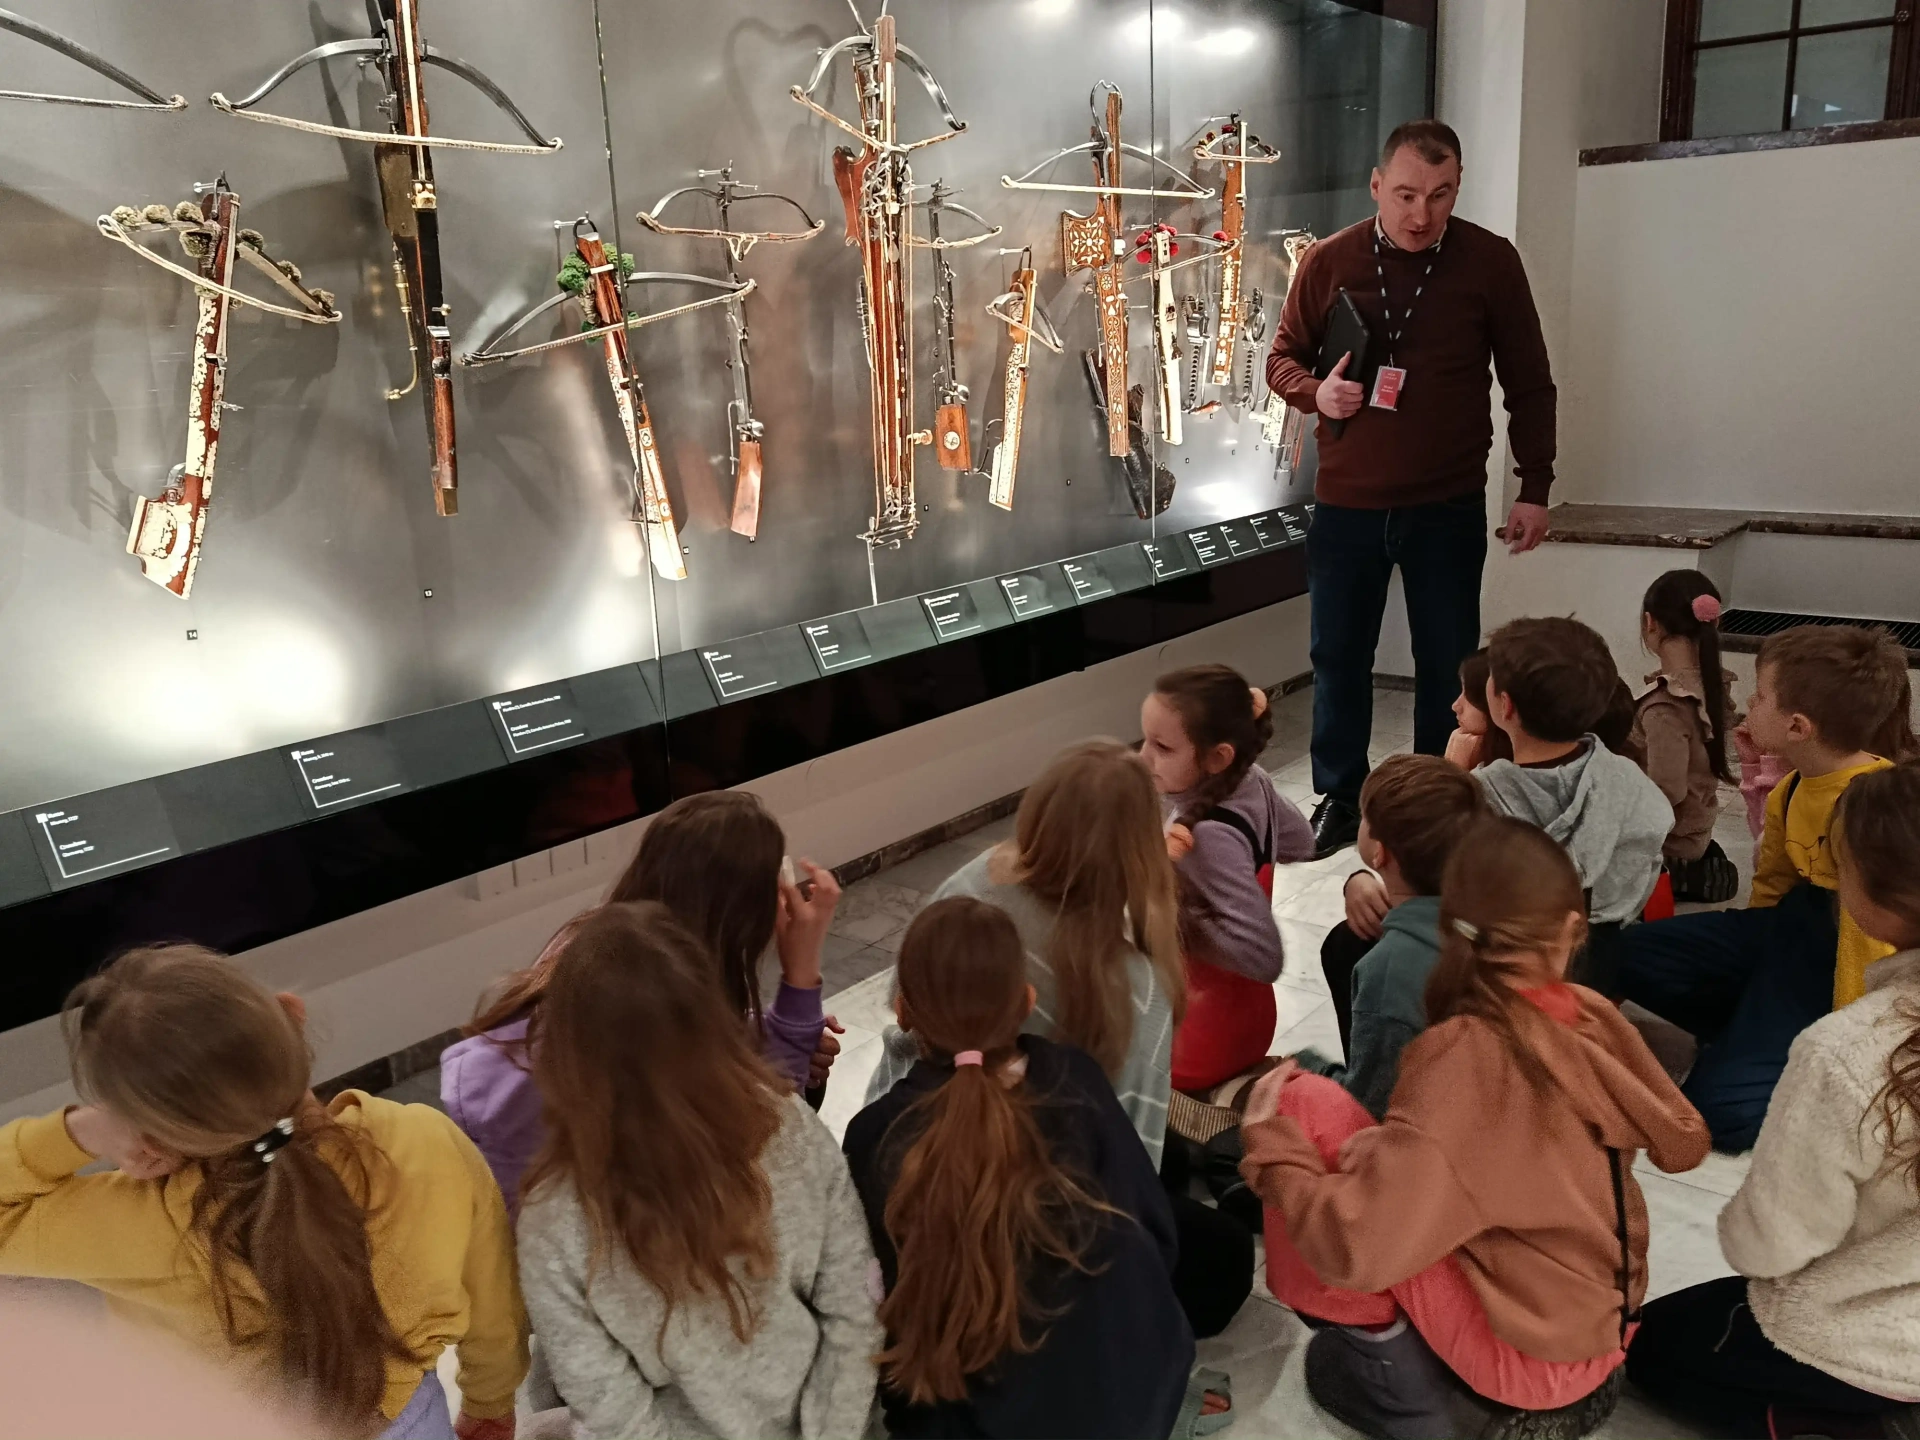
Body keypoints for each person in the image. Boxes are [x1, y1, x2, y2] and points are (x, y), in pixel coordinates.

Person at [1241, 818, 1710, 1440]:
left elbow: (1358, 1249)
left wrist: (1273, 1154)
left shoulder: (1464, 1057)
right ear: (1573, 929)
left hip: (1529, 1365)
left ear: (1449, 926)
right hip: (1604, 1327)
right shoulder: (1591, 1014)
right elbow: (1684, 1142)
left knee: (1302, 1107)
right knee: (1375, 1163)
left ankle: (1402, 1395)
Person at [0, 945, 528, 1440]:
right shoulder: (420, 1140)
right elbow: (492, 1292)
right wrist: (491, 1401)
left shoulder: (137, 1222)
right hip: (406, 1419)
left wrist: (81, 1131)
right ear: (292, 1014)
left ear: (149, 1131)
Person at [864, 739, 1254, 1344]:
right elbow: (1127, 1164)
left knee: (1177, 1162)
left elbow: (905, 1007)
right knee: (1226, 1256)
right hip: (1034, 1207)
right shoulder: (1133, 984)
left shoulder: (971, 884)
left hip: (912, 1133)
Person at [1264, 118, 1558, 859]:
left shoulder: (1490, 261)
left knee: (1448, 664)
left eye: (1440, 194)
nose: (1421, 214)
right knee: (1338, 657)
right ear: (1376, 186)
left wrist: (1534, 486)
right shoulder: (1330, 259)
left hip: (1447, 504)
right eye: (1405, 194)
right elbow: (1282, 358)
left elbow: (1530, 381)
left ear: (1457, 189)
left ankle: (1436, 797)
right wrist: (1314, 393)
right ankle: (1340, 796)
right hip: (1348, 504)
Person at [1626, 762, 1920, 1440]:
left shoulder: (1848, 1050)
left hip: (1866, 1339)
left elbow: (1773, 1245)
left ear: (1878, 897)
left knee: (1648, 1346)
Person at [515, 902, 880, 1440]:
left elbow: (610, 1411)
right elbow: (855, 1306)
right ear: (714, 1016)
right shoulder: (788, 1123)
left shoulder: (551, 1217)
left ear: (566, 1054)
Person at [843, 896, 1196, 1440]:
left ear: (903, 1012)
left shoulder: (875, 1136)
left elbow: (885, 1313)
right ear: (1027, 1000)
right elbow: (1157, 1233)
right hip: (1133, 1401)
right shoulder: (1075, 1077)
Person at [443, 790, 842, 1211]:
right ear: (741, 916)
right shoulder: (660, 1035)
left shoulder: (590, 942)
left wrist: (769, 1033)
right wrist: (800, 974)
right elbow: (774, 1138)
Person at [1619, 625, 1908, 1152]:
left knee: (1722, 1116)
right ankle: (1757, 1035)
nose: (1747, 707)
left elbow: (1871, 943)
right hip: (1792, 928)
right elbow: (1772, 886)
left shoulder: (1873, 805)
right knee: (1622, 953)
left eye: (1759, 698)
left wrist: (1846, 1040)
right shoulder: (1791, 787)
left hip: (1847, 950)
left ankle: (1768, 1045)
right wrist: (1751, 966)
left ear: (1798, 726)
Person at [1474, 616, 1673, 994]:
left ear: (1505, 705)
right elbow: (1650, 845)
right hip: (1604, 956)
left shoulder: (1479, 794)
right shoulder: (1624, 775)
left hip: (1507, 964)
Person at [1140, 665, 1314, 1093]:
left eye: (1162, 747)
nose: (1144, 757)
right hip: (1251, 1020)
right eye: (1144, 740)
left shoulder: (1201, 835)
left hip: (1197, 1039)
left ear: (1218, 757)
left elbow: (1263, 956)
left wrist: (1173, 916)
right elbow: (1301, 841)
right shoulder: (1252, 780)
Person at [1308, 754, 1485, 1111]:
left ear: (1380, 852)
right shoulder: (1491, 910)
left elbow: (1369, 1106)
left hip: (1429, 1127)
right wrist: (1358, 882)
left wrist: (1308, 1069)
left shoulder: (1388, 972)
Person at [1630, 571, 1740, 903]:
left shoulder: (1665, 704)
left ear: (1649, 623)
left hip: (1670, 843)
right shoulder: (1714, 684)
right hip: (1696, 832)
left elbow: (1667, 791)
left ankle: (1675, 875)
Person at [1443, 649, 1511, 772]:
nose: (1455, 706)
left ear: (1504, 703)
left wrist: (1456, 768)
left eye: (1469, 695)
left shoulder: (1497, 776)